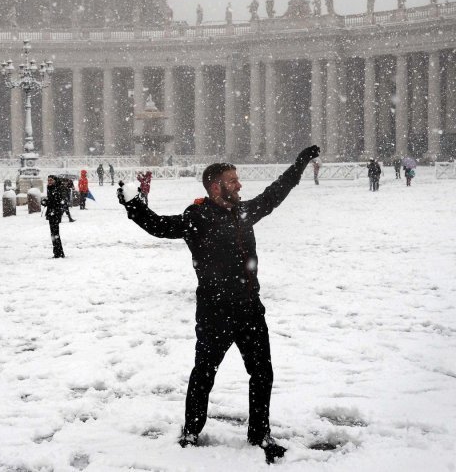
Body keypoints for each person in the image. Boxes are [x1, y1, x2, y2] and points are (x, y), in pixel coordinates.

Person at [117, 145, 321, 464]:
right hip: (215, 314)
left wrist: (299, 164)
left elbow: (274, 193)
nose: (239, 185)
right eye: (233, 180)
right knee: (204, 374)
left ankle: (260, 433)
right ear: (216, 186)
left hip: (250, 310)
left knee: (262, 372)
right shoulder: (196, 217)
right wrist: (133, 205)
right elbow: (159, 226)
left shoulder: (244, 212)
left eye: (238, 179)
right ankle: (191, 431)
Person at [42, 175, 67, 258]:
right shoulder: (50, 188)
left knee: (55, 234)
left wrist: (48, 202)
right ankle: (57, 252)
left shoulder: (56, 189)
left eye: (51, 180)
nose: (49, 181)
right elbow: (51, 200)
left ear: (55, 181)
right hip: (51, 213)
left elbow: (57, 201)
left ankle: (59, 252)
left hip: (55, 214)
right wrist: (45, 201)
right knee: (53, 234)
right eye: (48, 180)